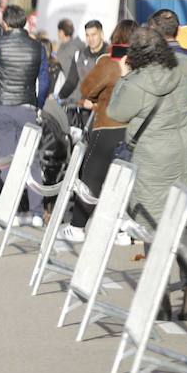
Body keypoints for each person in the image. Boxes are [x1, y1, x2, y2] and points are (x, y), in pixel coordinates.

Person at [107, 26, 187, 322]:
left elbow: (116, 112)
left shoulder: (135, 83)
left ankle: (161, 297)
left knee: (154, 223)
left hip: (154, 159)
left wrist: (124, 73)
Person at [63, 19, 135, 242]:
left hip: (108, 125)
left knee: (92, 177)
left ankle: (77, 227)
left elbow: (86, 88)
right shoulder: (144, 62)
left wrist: (95, 98)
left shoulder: (109, 60)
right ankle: (123, 231)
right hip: (134, 129)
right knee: (124, 181)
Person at [0, 5, 50, 224]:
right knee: (31, 159)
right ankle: (37, 212)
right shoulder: (38, 48)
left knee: (7, 160)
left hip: (2, 106)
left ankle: (13, 209)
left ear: (5, 24)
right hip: (26, 106)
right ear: (25, 23)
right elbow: (44, 82)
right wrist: (37, 104)